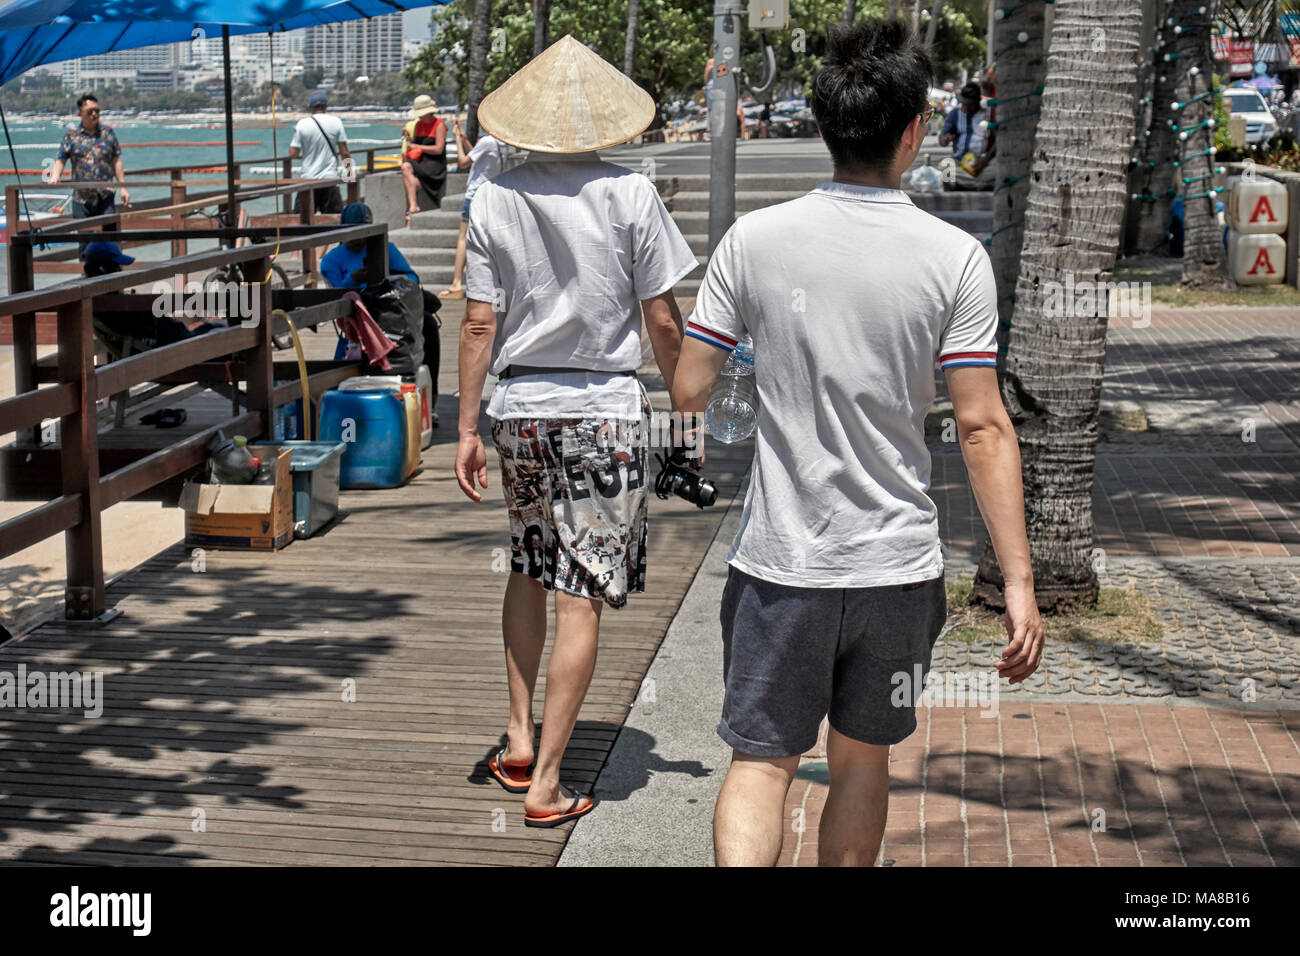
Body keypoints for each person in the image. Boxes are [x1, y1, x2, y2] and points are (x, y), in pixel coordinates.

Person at [670, 18, 1043, 867]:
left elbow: (689, 391)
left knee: (761, 764)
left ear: (823, 125)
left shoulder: (751, 243)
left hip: (780, 565)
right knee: (862, 762)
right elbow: (983, 424)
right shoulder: (954, 257)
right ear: (913, 131)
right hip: (896, 568)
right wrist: (1017, 581)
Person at [455, 35, 696, 829]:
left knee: (527, 569)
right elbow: (662, 318)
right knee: (582, 595)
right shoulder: (630, 196)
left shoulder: (494, 197)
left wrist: (465, 427)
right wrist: (687, 416)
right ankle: (547, 784)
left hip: (521, 411)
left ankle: (520, 739)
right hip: (603, 412)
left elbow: (479, 322)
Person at [322, 203, 440, 420]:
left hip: (390, 310)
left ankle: (431, 400)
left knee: (429, 324)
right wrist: (354, 279)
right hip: (356, 315)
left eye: (361, 232)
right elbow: (335, 296)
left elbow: (411, 278)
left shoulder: (386, 248)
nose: (357, 238)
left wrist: (389, 280)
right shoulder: (331, 259)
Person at [438, 120, 507, 299]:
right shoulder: (502, 143)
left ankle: (456, 284)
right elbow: (480, 156)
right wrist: (466, 140)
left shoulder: (486, 142)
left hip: (475, 195)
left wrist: (458, 142)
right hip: (492, 196)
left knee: (463, 237)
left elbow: (463, 162)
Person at [52, 94, 129, 252]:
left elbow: (116, 161)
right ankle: (87, 273)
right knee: (85, 242)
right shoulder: (71, 136)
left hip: (105, 195)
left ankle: (111, 273)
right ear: (80, 113)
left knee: (110, 239)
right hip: (82, 198)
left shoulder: (108, 133)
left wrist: (123, 188)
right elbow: (61, 159)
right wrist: (55, 176)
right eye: (90, 111)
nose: (94, 114)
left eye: (97, 111)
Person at [289, 90, 350, 215]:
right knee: (335, 221)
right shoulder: (336, 122)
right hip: (329, 179)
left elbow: (293, 153)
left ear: (309, 107)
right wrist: (349, 174)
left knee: (301, 220)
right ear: (326, 106)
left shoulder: (302, 124)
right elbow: (344, 152)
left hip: (308, 179)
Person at [939, 81, 996, 190]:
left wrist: (985, 159)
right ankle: (981, 185)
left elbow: (998, 140)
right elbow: (942, 139)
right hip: (961, 164)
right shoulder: (955, 113)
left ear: (979, 101)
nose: (965, 108)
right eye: (963, 104)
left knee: (1000, 168)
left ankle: (969, 184)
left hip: (985, 163)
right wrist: (945, 139)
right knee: (945, 166)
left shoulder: (990, 112)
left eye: (970, 105)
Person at [401, 94, 448, 224]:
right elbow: (416, 145)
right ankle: (413, 205)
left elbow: (439, 148)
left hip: (435, 164)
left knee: (408, 172)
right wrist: (409, 139)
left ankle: (412, 208)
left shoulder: (439, 124)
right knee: (405, 167)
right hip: (421, 162)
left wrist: (417, 146)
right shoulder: (418, 125)